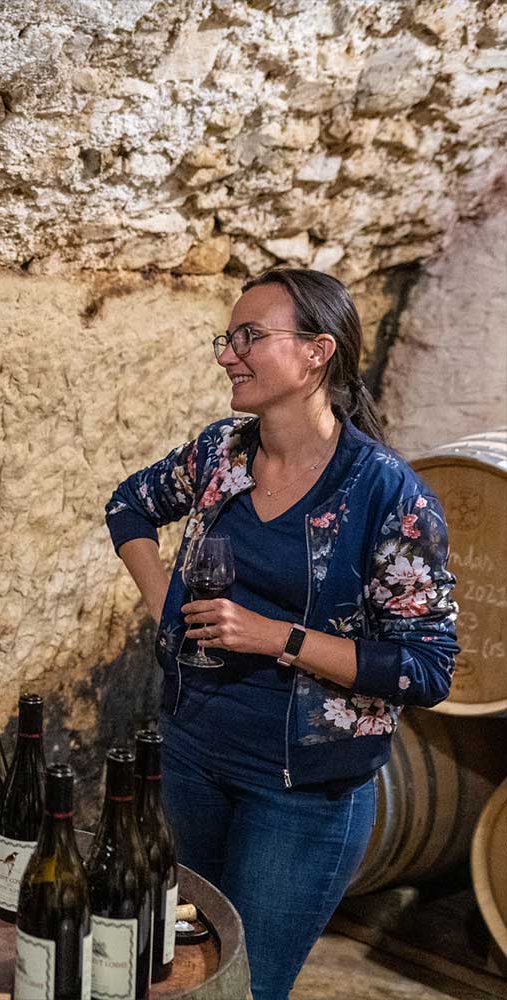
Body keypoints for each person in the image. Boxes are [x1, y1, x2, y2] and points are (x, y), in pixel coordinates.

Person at [104, 268, 458, 999]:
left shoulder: (387, 495)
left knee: (243, 989)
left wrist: (278, 637)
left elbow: (424, 668)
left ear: (316, 353)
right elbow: (129, 506)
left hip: (303, 795)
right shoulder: (220, 454)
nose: (226, 354)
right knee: (173, 975)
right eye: (227, 338)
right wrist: (167, 604)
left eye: (249, 337)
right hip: (192, 758)